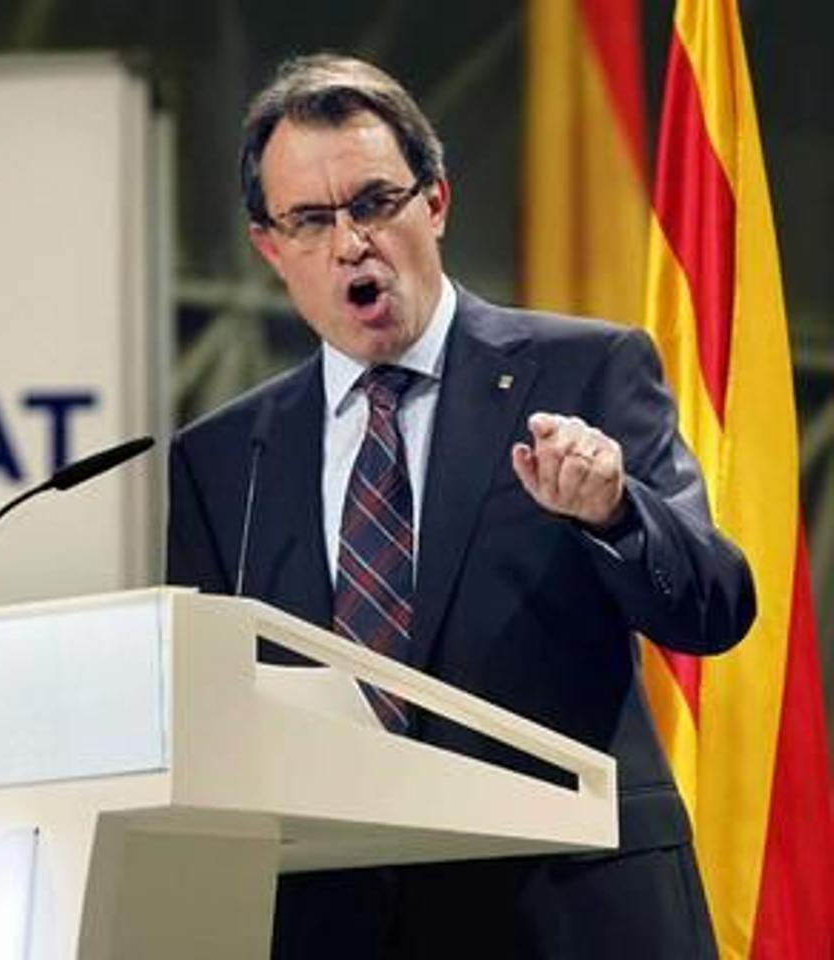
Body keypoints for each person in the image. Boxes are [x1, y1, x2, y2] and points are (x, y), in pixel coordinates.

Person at [166, 53, 756, 959]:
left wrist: (615, 514)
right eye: (312, 220)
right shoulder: (223, 459)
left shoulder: (585, 370)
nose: (350, 242)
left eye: (373, 203)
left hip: (570, 915)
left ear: (435, 202)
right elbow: (205, 705)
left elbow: (715, 604)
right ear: (270, 247)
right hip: (342, 924)